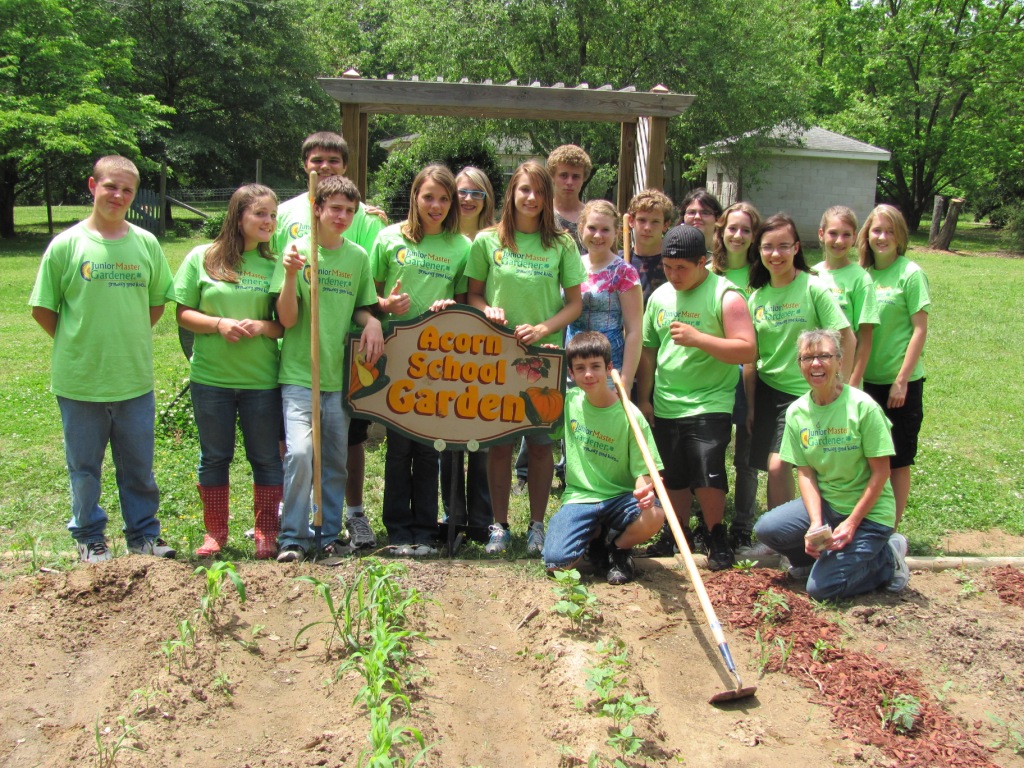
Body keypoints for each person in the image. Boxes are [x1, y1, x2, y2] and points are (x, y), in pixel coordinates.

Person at [29, 155, 175, 562]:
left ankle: (144, 535)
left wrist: (123, 337)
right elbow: (43, 308)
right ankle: (89, 537)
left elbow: (156, 302)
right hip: (81, 381)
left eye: (127, 189)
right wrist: (79, 341)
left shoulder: (145, 243)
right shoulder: (67, 245)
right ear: (93, 186)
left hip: (133, 379)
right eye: (111, 186)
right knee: (85, 470)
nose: (118, 195)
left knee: (138, 469)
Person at [272, 131, 386, 549]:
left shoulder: (356, 256)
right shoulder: (296, 251)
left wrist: (371, 321)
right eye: (334, 208)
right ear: (316, 207)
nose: (340, 216)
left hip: (340, 378)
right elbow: (285, 318)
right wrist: (288, 275)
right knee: (301, 455)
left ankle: (328, 534)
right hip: (301, 374)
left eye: (348, 211)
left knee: (335, 459)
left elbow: (362, 304)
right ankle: (293, 536)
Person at [466, 160, 585, 555]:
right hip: (497, 356)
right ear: (512, 194)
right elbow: (474, 295)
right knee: (499, 445)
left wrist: (544, 328)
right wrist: (487, 311)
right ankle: (499, 526)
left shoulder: (562, 243)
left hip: (543, 356)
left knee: (540, 446)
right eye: (524, 190)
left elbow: (574, 305)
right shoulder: (488, 240)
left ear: (547, 197)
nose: (531, 198)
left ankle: (537, 526)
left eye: (539, 191)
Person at [170, 184, 284, 559]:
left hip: (261, 380)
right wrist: (218, 323)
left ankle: (266, 532)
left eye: (272, 214)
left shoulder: (276, 265)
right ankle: (215, 534)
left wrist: (263, 327)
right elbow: (183, 313)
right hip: (211, 379)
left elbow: (285, 324)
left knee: (266, 458)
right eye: (260, 214)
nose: (268, 221)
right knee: (215, 456)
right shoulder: (202, 258)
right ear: (238, 216)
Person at [753, 329, 910, 599]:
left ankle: (887, 559)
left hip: (869, 516)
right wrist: (815, 524)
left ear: (839, 360)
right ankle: (809, 562)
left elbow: (881, 473)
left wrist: (851, 523)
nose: (816, 364)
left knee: (821, 589)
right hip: (828, 507)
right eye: (807, 358)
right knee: (767, 529)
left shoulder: (863, 407)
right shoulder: (797, 412)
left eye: (824, 356)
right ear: (799, 365)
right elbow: (806, 473)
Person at [637, 224, 757, 570]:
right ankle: (678, 534)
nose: (673, 275)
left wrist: (699, 338)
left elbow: (746, 350)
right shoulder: (659, 297)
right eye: (667, 267)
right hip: (667, 401)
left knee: (707, 471)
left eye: (682, 268)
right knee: (673, 474)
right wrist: (645, 398)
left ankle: (715, 533)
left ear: (702, 262)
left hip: (711, 401)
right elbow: (648, 351)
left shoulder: (726, 295)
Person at [370, 165, 470, 556]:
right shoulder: (387, 238)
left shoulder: (460, 246)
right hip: (395, 357)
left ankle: (426, 530)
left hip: (438, 363)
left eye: (444, 199)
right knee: (398, 447)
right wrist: (385, 305)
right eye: (429, 197)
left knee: (431, 449)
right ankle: (397, 529)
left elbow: (465, 303)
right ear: (415, 196)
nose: (437, 206)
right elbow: (368, 299)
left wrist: (451, 306)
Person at [745, 213, 855, 512]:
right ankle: (784, 536)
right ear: (759, 251)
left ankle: (794, 535)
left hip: (806, 393)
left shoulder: (813, 288)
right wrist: (752, 406)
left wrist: (841, 388)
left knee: (782, 464)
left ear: (796, 248)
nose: (775, 254)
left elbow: (846, 337)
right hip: (769, 392)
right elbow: (752, 361)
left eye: (783, 246)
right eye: (768, 247)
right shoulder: (756, 299)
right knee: (775, 467)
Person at [542, 332, 664, 584]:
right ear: (571, 374)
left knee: (655, 516)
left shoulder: (631, 415)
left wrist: (645, 492)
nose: (588, 374)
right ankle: (595, 534)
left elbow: (643, 472)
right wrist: (548, 359)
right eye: (580, 368)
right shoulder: (569, 402)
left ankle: (617, 548)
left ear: (609, 368)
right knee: (556, 564)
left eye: (596, 366)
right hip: (580, 497)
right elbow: (539, 388)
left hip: (620, 498)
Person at [858, 204, 930, 527]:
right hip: (865, 384)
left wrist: (901, 380)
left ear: (900, 235)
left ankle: (892, 530)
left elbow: (919, 329)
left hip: (899, 386)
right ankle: (871, 522)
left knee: (898, 459)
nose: (882, 237)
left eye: (889, 231)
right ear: (867, 235)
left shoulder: (910, 273)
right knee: (871, 458)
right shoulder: (863, 274)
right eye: (876, 230)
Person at [439, 167, 495, 532]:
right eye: (462, 191)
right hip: (446, 349)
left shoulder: (497, 238)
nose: (469, 198)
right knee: (447, 433)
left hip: (488, 348)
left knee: (485, 433)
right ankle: (452, 512)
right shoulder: (441, 238)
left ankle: (482, 517)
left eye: (477, 192)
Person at [710, 202, 763, 552]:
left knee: (746, 456)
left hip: (754, 376)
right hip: (713, 376)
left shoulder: (764, 276)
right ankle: (709, 519)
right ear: (721, 230)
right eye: (732, 228)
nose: (738, 235)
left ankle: (743, 523)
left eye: (746, 229)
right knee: (712, 450)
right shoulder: (709, 272)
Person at [566, 200, 643, 394]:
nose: (598, 235)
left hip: (608, 372)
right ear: (581, 228)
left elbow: (634, 331)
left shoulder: (624, 272)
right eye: (592, 228)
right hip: (571, 369)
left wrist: (624, 382)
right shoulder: (570, 265)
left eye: (605, 230)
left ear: (616, 233)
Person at [815, 206, 879, 388]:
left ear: (854, 237)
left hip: (843, 375)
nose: (839, 241)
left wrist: (852, 382)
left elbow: (865, 340)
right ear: (821, 234)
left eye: (846, 235)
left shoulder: (861, 279)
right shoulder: (811, 275)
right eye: (833, 233)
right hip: (812, 372)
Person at [622, 189, 675, 304]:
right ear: (631, 221)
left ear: (665, 225)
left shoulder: (674, 264)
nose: (647, 228)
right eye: (642, 220)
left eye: (655, 222)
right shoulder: (619, 262)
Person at [546, 144, 591, 251]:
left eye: (576, 176)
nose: (569, 182)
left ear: (583, 178)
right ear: (552, 176)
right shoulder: (542, 214)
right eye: (564, 175)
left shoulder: (592, 216)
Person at [680, 188, 723, 252]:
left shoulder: (725, 255)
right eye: (692, 212)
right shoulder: (672, 251)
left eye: (705, 213)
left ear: (717, 218)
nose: (697, 217)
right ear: (683, 217)